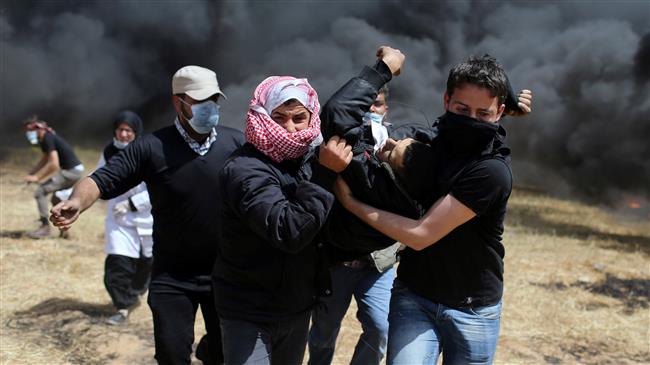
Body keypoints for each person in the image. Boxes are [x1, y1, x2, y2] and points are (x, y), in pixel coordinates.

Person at [310, 46, 532, 365]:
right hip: (416, 296)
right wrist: (498, 110)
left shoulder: (490, 171)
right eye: (462, 108)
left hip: (473, 309)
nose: (471, 120)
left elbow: (420, 234)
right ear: (446, 102)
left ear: (498, 113)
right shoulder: (432, 143)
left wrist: (353, 203)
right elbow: (452, 133)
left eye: (484, 113)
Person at [50, 65, 244, 365]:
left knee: (224, 352)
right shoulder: (151, 148)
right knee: (171, 353)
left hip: (225, 274)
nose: (210, 108)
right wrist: (76, 201)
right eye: (201, 101)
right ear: (178, 102)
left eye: (214, 101)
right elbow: (102, 179)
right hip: (172, 276)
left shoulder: (235, 144)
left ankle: (209, 351)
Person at [212, 75, 353, 364]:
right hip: (248, 311)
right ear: (261, 116)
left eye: (299, 118)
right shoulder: (244, 169)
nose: (289, 128)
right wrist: (324, 175)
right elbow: (288, 231)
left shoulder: (310, 160)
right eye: (279, 117)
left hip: (296, 307)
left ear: (312, 117)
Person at [97, 110, 154, 326]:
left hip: (146, 219)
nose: (123, 134)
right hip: (119, 220)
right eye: (120, 129)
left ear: (136, 132)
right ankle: (122, 305)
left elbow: (158, 187)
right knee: (117, 264)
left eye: (128, 130)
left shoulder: (148, 152)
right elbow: (98, 177)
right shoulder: (109, 152)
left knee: (146, 264)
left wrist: (132, 203)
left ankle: (136, 293)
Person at [23, 116, 84, 239]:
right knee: (57, 199)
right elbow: (45, 159)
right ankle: (64, 229)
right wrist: (32, 173)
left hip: (71, 172)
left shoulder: (47, 138)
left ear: (39, 129)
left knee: (40, 192)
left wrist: (37, 178)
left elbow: (53, 163)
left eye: (30, 130)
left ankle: (45, 228)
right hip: (75, 170)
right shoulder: (45, 138)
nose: (28, 134)